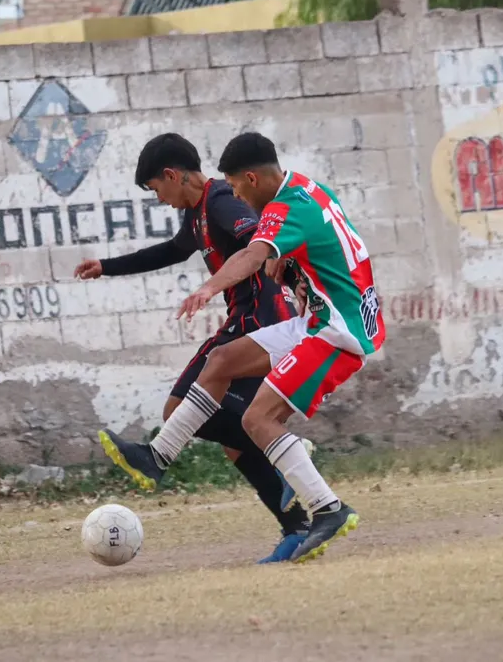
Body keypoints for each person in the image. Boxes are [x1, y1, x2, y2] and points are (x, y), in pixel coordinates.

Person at [98, 132, 386, 564]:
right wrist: (293, 267)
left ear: (251, 178)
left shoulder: (278, 208)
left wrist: (209, 287)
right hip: (319, 320)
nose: (233, 194)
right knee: (221, 362)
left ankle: (327, 508)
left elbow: (252, 253)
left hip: (335, 333)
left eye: (235, 185)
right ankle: (159, 455)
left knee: (256, 419)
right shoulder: (308, 188)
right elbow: (323, 248)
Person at [79, 132, 312, 563]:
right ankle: (296, 521)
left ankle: (282, 460)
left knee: (185, 410)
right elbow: (170, 251)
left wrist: (289, 274)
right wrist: (107, 267)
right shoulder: (197, 214)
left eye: (156, 189)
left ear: (172, 175)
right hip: (244, 319)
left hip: (260, 320)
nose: (159, 199)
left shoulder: (221, 200)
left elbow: (260, 239)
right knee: (229, 433)